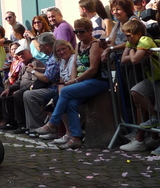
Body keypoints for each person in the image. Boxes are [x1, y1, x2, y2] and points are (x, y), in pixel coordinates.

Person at [35, 18, 109, 149]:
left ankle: (53, 123)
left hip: (97, 81)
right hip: (84, 82)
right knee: (71, 103)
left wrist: (75, 81)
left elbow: (93, 69)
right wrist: (73, 81)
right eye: (76, 32)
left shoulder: (95, 45)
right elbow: (74, 65)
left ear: (90, 31)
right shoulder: (79, 45)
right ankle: (75, 137)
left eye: (82, 31)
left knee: (64, 91)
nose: (79, 34)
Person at [119, 18, 160, 154]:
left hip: (158, 77)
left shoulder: (144, 40)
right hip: (153, 78)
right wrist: (133, 49)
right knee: (136, 91)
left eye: (129, 36)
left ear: (139, 34)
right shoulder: (134, 42)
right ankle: (154, 117)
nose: (127, 39)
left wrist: (132, 50)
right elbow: (123, 60)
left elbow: (134, 59)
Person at [23, 32, 60, 132]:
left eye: (40, 46)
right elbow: (49, 70)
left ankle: (36, 126)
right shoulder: (51, 56)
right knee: (25, 93)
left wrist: (32, 71)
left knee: (29, 95)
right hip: (52, 87)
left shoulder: (54, 57)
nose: (39, 49)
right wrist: (36, 68)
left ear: (46, 45)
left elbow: (46, 78)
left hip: (55, 89)